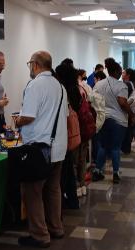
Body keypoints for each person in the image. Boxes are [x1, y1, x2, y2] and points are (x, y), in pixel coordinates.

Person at [13, 51, 67, 248]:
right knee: (53, 190)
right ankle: (56, 228)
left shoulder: (35, 85)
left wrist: (17, 120)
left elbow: (28, 116)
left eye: (29, 64)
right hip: (59, 147)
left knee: (32, 192)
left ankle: (39, 235)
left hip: (39, 148)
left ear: (35, 65)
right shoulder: (60, 86)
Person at [91, 58, 134, 184]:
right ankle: (115, 174)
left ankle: (98, 171)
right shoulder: (121, 85)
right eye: (120, 71)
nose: (121, 73)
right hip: (118, 121)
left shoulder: (98, 84)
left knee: (103, 146)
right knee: (115, 148)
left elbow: (93, 99)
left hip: (103, 119)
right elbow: (122, 102)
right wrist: (131, 114)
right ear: (115, 71)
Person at [55, 62, 82, 205]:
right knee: (69, 167)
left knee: (64, 170)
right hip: (73, 134)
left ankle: (64, 199)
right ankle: (72, 199)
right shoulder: (76, 89)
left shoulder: (63, 91)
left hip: (64, 134)